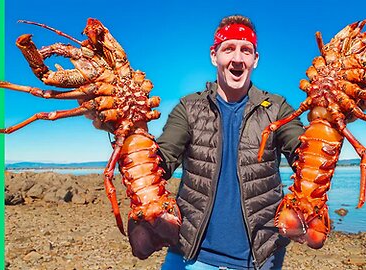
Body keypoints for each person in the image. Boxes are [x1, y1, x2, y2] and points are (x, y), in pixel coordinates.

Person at [129, 14, 305, 270]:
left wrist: (336, 119)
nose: (237, 58)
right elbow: (160, 163)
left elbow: (305, 156)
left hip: (259, 257)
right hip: (190, 254)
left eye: (246, 50)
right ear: (214, 56)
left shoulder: (277, 108)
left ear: (255, 59)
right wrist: (128, 130)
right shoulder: (189, 108)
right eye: (228, 49)